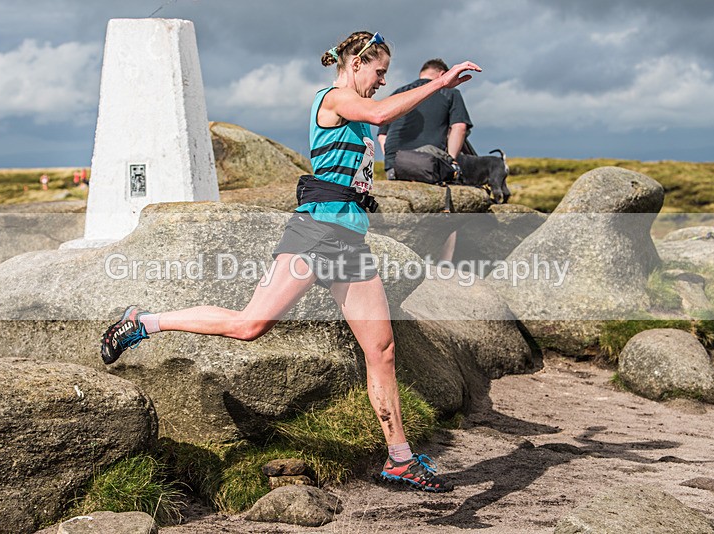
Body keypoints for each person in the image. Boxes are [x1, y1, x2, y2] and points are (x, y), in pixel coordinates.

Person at [100, 31, 480, 493]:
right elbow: (381, 112)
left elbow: (377, 126)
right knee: (249, 325)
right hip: (316, 232)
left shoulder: (360, 117)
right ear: (357, 62)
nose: (383, 81)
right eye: (379, 71)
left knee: (381, 350)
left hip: (349, 240)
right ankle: (143, 321)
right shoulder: (334, 98)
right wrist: (441, 85)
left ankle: (399, 459)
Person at [378, 59, 475, 263]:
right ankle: (444, 268)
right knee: (447, 213)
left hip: (396, 165)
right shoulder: (450, 92)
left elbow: (382, 136)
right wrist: (451, 161)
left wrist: (392, 161)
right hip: (428, 165)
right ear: (442, 75)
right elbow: (459, 128)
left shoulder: (399, 92)